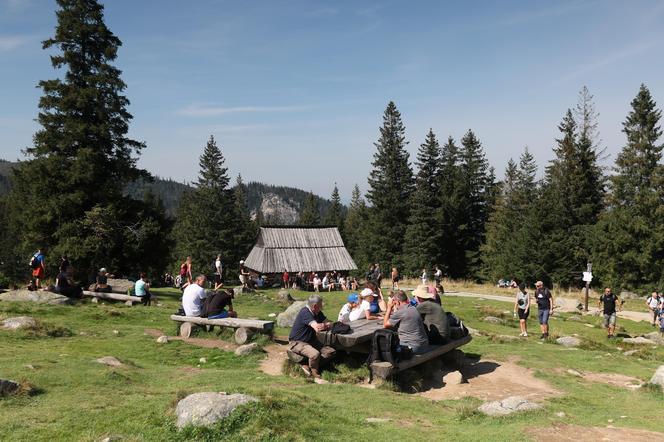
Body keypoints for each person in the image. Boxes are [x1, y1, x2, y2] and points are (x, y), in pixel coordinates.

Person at [288, 295, 335, 378]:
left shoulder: (317, 312)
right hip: (297, 342)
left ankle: (307, 366)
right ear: (315, 306)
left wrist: (326, 324)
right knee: (315, 354)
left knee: (331, 352)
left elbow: (330, 323)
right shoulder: (305, 312)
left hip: (311, 341)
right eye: (321, 305)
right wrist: (325, 325)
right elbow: (317, 328)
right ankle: (315, 374)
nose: (322, 307)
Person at [383, 290, 430, 355]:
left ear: (398, 302)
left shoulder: (400, 312)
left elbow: (385, 325)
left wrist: (389, 308)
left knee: (386, 350)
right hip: (424, 345)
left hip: (412, 347)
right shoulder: (414, 308)